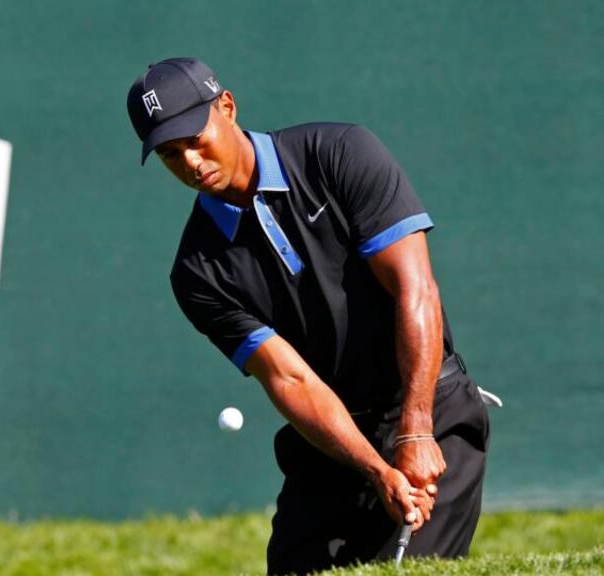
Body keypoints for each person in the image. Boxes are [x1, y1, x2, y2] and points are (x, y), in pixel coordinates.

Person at [126, 57, 491, 575]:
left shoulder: (339, 153)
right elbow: (290, 378)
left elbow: (416, 289)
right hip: (331, 442)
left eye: (194, 137)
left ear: (226, 106)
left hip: (426, 404)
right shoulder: (196, 272)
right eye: (168, 153)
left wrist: (415, 429)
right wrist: (374, 468)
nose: (189, 162)